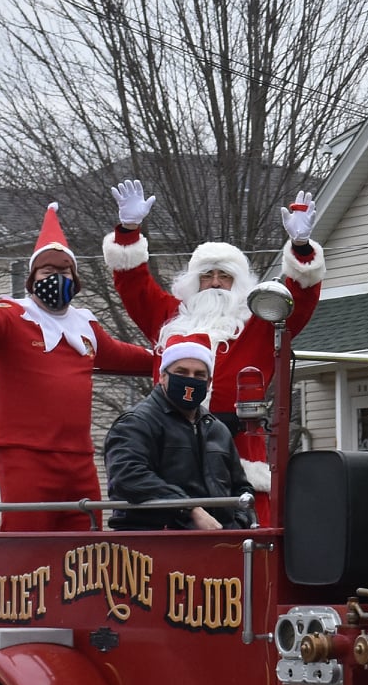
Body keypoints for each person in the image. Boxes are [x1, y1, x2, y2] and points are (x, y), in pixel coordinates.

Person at [0, 204, 157, 532]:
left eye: (64, 271)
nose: (56, 277)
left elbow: (131, 357)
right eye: (47, 271)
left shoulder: (85, 327)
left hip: (78, 458)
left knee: (88, 548)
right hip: (25, 454)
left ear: (75, 278)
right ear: (32, 279)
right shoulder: (13, 316)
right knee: (28, 545)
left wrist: (179, 355)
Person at [101, 179, 325, 489]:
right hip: (169, 447)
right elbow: (131, 283)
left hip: (240, 452)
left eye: (225, 276)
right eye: (207, 275)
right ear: (195, 280)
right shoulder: (168, 315)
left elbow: (299, 298)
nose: (216, 283)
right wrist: (128, 230)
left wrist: (301, 248)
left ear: (239, 282)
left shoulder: (258, 322)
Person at [104, 334, 256, 530]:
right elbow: (127, 477)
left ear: (209, 382)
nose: (190, 380)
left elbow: (241, 487)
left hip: (222, 545)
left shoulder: (217, 429)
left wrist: (237, 524)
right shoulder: (136, 423)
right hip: (158, 546)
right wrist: (189, 509)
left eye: (199, 375)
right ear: (163, 377)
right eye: (181, 372)